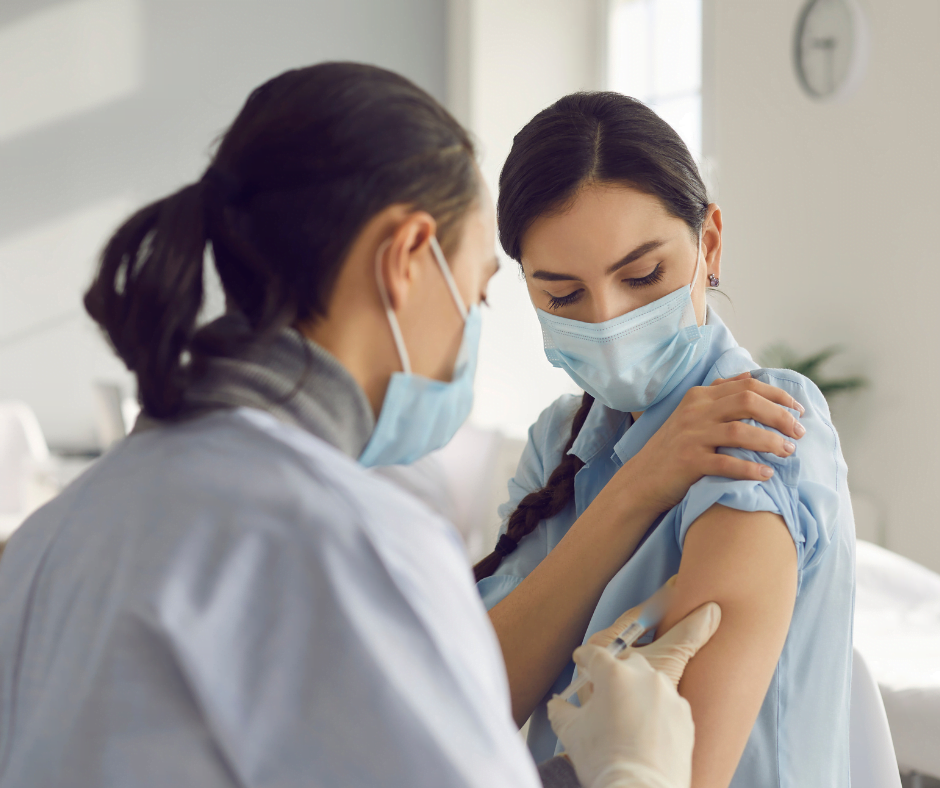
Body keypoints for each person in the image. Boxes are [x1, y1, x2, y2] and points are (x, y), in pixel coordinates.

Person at [0, 65, 790, 788]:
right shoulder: (348, 541)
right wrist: (627, 772)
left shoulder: (49, 536)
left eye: (641, 275)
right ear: (408, 257)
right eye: (483, 292)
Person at [475, 92, 856, 788]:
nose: (609, 320)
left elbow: (683, 773)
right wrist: (638, 486)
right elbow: (471, 705)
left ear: (708, 243)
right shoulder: (559, 441)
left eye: (643, 276)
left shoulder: (762, 419)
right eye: (564, 297)